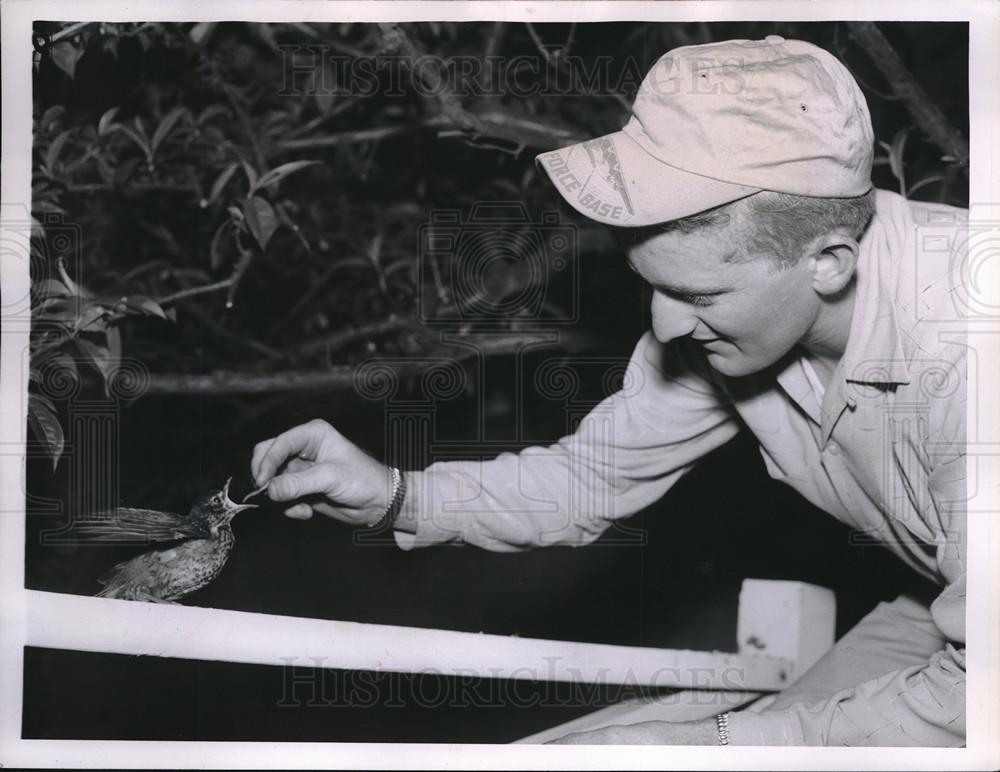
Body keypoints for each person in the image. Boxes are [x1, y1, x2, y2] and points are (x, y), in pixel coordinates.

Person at [250, 37, 966, 746]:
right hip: (944, 604)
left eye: (697, 294)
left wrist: (699, 746)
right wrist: (398, 494)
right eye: (651, 286)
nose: (663, 324)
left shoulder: (971, 360)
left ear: (830, 264)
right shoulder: (728, 322)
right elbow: (589, 477)